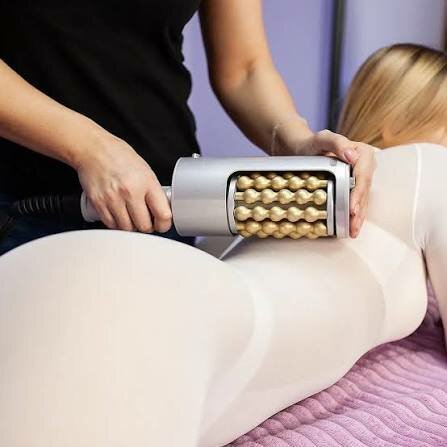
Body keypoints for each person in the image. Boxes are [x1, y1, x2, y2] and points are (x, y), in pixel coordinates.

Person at [0, 43, 446, 447]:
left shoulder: (261, 198)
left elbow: (245, 68)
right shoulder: (428, 165)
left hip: (52, 268)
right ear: (398, 123)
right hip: (137, 301)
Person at [0, 0, 375, 255]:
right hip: (21, 207)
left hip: (160, 211)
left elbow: (244, 69)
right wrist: (89, 148)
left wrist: (297, 140)